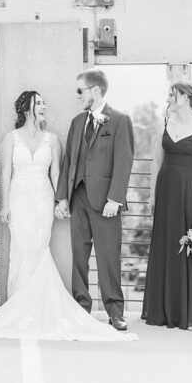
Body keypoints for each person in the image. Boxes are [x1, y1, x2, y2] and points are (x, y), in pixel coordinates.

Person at [0, 91, 136, 341]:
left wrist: (61, 200)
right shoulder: (10, 139)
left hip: (43, 201)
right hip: (19, 200)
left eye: (45, 102)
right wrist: (4, 206)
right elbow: (4, 175)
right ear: (26, 109)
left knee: (39, 250)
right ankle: (19, 309)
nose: (44, 106)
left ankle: (49, 308)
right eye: (39, 103)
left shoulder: (52, 139)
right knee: (22, 252)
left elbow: (57, 172)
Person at [55, 68, 135, 331]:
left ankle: (115, 311)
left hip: (106, 203)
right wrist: (63, 198)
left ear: (95, 90)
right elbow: (69, 161)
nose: (78, 96)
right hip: (78, 198)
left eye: (80, 91)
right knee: (79, 256)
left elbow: (124, 163)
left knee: (108, 257)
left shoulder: (120, 121)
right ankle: (81, 307)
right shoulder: (77, 122)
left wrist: (115, 198)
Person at [142, 82, 192, 331]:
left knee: (188, 248)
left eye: (172, 95)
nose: (168, 99)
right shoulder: (164, 123)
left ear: (185, 97)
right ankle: (163, 310)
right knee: (166, 246)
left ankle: (191, 313)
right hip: (165, 193)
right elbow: (156, 163)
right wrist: (152, 195)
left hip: (190, 193)